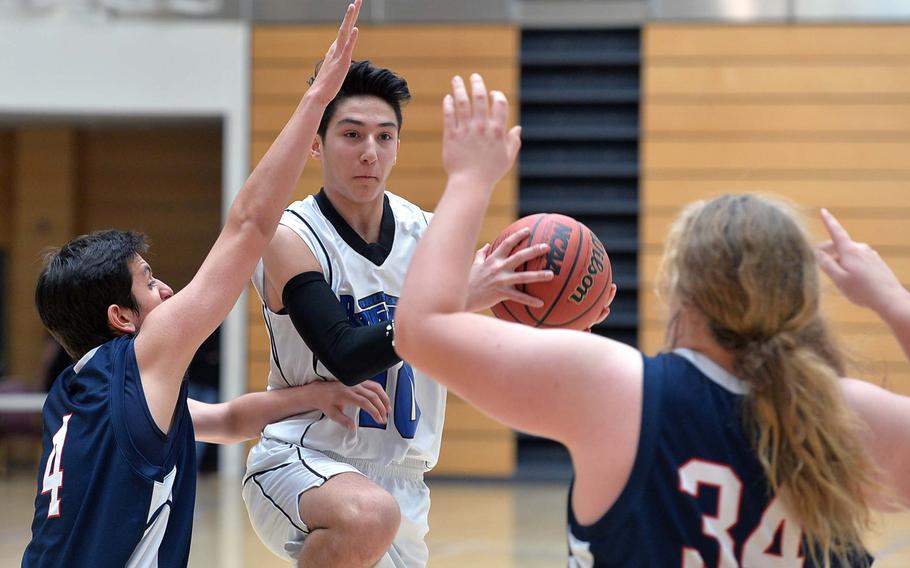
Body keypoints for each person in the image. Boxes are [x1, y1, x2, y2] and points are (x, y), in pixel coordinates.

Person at [395, 73, 910, 567]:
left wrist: (470, 178)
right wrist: (893, 302)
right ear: (802, 298)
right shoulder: (850, 417)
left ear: (680, 293)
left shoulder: (616, 390)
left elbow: (418, 329)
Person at [22, 3, 376, 566]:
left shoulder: (75, 393)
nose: (167, 292)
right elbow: (251, 226)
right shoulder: (139, 359)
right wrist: (318, 98)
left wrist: (316, 395)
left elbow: (229, 420)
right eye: (151, 281)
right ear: (121, 317)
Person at [241, 60, 554, 568]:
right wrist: (449, 300)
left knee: (375, 513)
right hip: (304, 456)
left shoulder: (429, 234)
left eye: (384, 137)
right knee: (366, 516)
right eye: (352, 134)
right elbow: (344, 352)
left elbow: (475, 348)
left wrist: (562, 321)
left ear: (397, 149)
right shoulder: (290, 236)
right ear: (316, 145)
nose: (369, 151)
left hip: (404, 481)